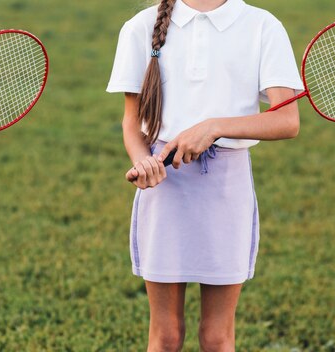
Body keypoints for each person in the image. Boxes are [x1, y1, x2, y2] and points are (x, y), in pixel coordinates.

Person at [107, 0, 303, 350]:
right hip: (165, 189)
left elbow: (286, 121)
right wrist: (143, 160)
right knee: (165, 336)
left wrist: (213, 128)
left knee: (216, 336)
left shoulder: (262, 25)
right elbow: (132, 121)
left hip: (227, 190)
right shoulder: (140, 27)